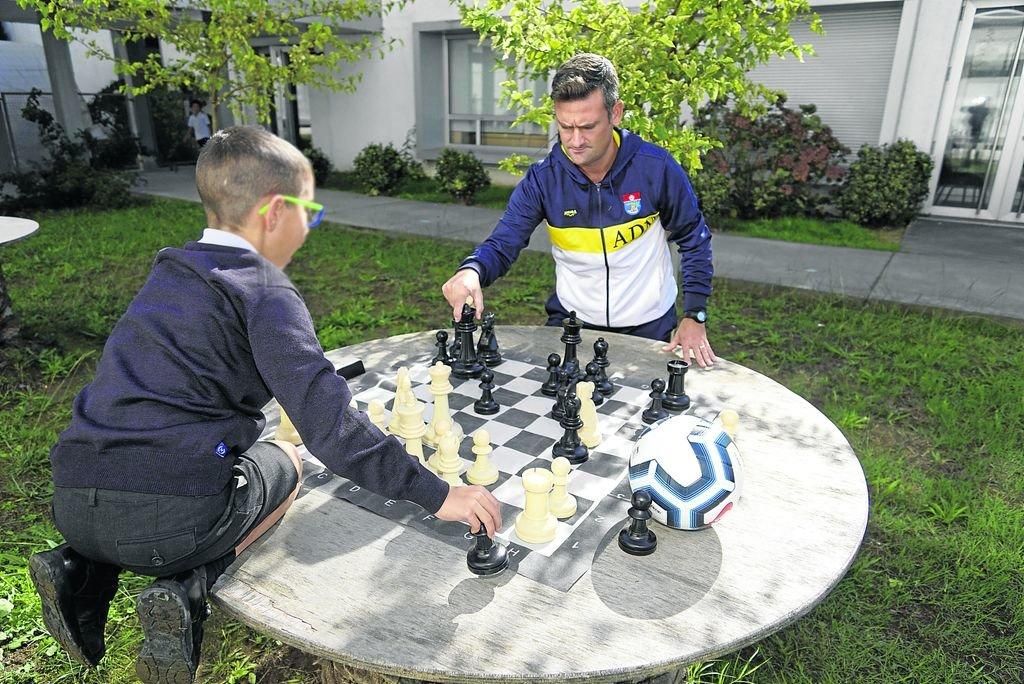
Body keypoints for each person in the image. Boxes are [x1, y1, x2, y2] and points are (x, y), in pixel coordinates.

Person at [29, 126, 502, 684]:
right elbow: (331, 430)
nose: (310, 228)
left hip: (72, 498)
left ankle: (78, 567)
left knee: (176, 469)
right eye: (310, 213)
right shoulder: (265, 291)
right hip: (172, 523)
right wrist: (437, 492)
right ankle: (192, 584)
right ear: (276, 211)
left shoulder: (169, 273)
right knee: (289, 460)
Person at [441, 53, 716, 368]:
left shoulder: (656, 168)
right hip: (571, 323)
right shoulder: (543, 179)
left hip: (649, 325)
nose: (575, 141)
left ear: (616, 113)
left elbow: (694, 238)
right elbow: (504, 242)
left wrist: (695, 315)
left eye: (587, 127)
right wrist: (471, 271)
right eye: (565, 126)